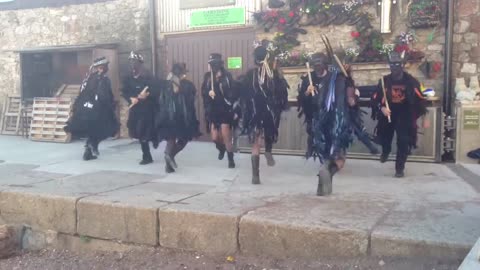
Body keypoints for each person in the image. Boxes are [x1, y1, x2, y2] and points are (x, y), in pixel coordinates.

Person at [298, 52, 371, 196]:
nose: (317, 68)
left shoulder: (336, 78)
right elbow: (302, 100)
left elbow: (350, 98)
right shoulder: (310, 79)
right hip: (321, 122)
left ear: (326, 64)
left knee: (330, 153)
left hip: (335, 121)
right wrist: (306, 93)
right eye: (316, 66)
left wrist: (352, 93)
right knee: (338, 157)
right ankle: (328, 173)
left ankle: (324, 177)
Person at [371, 51, 428, 178]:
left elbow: (420, 99)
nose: (394, 67)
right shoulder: (384, 81)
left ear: (402, 65)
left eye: (397, 64)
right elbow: (375, 98)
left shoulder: (410, 81)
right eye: (392, 64)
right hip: (389, 113)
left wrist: (424, 116)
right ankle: (386, 151)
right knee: (385, 137)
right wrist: (382, 109)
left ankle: (399, 168)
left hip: (405, 113)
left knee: (403, 140)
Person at [240, 45, 289, 184]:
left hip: (255, 112)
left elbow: (244, 94)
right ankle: (268, 150)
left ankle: (255, 175)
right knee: (269, 132)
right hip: (268, 112)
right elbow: (282, 94)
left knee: (256, 143)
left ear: (255, 59)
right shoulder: (273, 74)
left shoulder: (250, 74)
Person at [64, 57, 119, 161]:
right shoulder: (101, 79)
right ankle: (92, 147)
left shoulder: (90, 77)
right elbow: (103, 95)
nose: (106, 68)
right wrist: (109, 105)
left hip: (88, 108)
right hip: (97, 109)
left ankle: (88, 152)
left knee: (93, 129)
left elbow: (83, 92)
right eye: (104, 66)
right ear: (101, 67)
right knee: (103, 128)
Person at [156, 63, 201, 173]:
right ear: (183, 74)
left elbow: (161, 100)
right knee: (184, 139)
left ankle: (168, 162)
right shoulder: (188, 85)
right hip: (182, 118)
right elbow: (191, 101)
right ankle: (170, 156)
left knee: (171, 139)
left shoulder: (166, 85)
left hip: (168, 117)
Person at [201, 53, 240, 168]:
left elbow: (232, 94)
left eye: (210, 64)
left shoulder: (226, 77)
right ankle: (221, 149)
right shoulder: (208, 77)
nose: (208, 66)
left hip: (225, 110)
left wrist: (234, 110)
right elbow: (204, 93)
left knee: (226, 137)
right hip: (213, 111)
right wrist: (208, 94)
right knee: (214, 138)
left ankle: (230, 159)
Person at [121, 51, 159, 165]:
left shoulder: (148, 76)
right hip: (135, 109)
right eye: (131, 61)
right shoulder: (128, 77)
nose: (132, 64)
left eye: (134, 61)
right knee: (134, 129)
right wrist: (130, 99)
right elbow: (125, 91)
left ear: (140, 63)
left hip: (147, 109)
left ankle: (146, 156)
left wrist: (146, 95)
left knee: (143, 131)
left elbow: (156, 90)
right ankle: (147, 147)